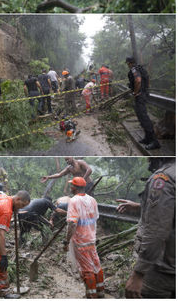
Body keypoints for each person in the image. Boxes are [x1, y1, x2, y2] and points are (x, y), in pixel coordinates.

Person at [117, 157, 175, 298]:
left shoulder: (164, 177)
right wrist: (140, 206)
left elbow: (156, 230)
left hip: (162, 270)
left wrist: (139, 273)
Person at [64, 177, 103, 299]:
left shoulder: (74, 201)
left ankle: (91, 296)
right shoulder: (92, 200)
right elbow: (95, 218)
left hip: (80, 241)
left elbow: (72, 223)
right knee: (96, 266)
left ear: (74, 187)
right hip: (91, 239)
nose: (70, 187)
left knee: (87, 269)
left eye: (71, 185)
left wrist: (66, 241)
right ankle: (100, 293)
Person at [126, 57, 160, 150]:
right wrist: (144, 90)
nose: (127, 65)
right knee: (141, 116)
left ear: (129, 63)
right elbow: (147, 80)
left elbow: (138, 80)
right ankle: (148, 138)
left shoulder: (134, 69)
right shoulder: (141, 68)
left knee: (143, 117)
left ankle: (154, 141)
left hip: (140, 96)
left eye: (127, 63)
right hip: (144, 94)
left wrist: (136, 92)